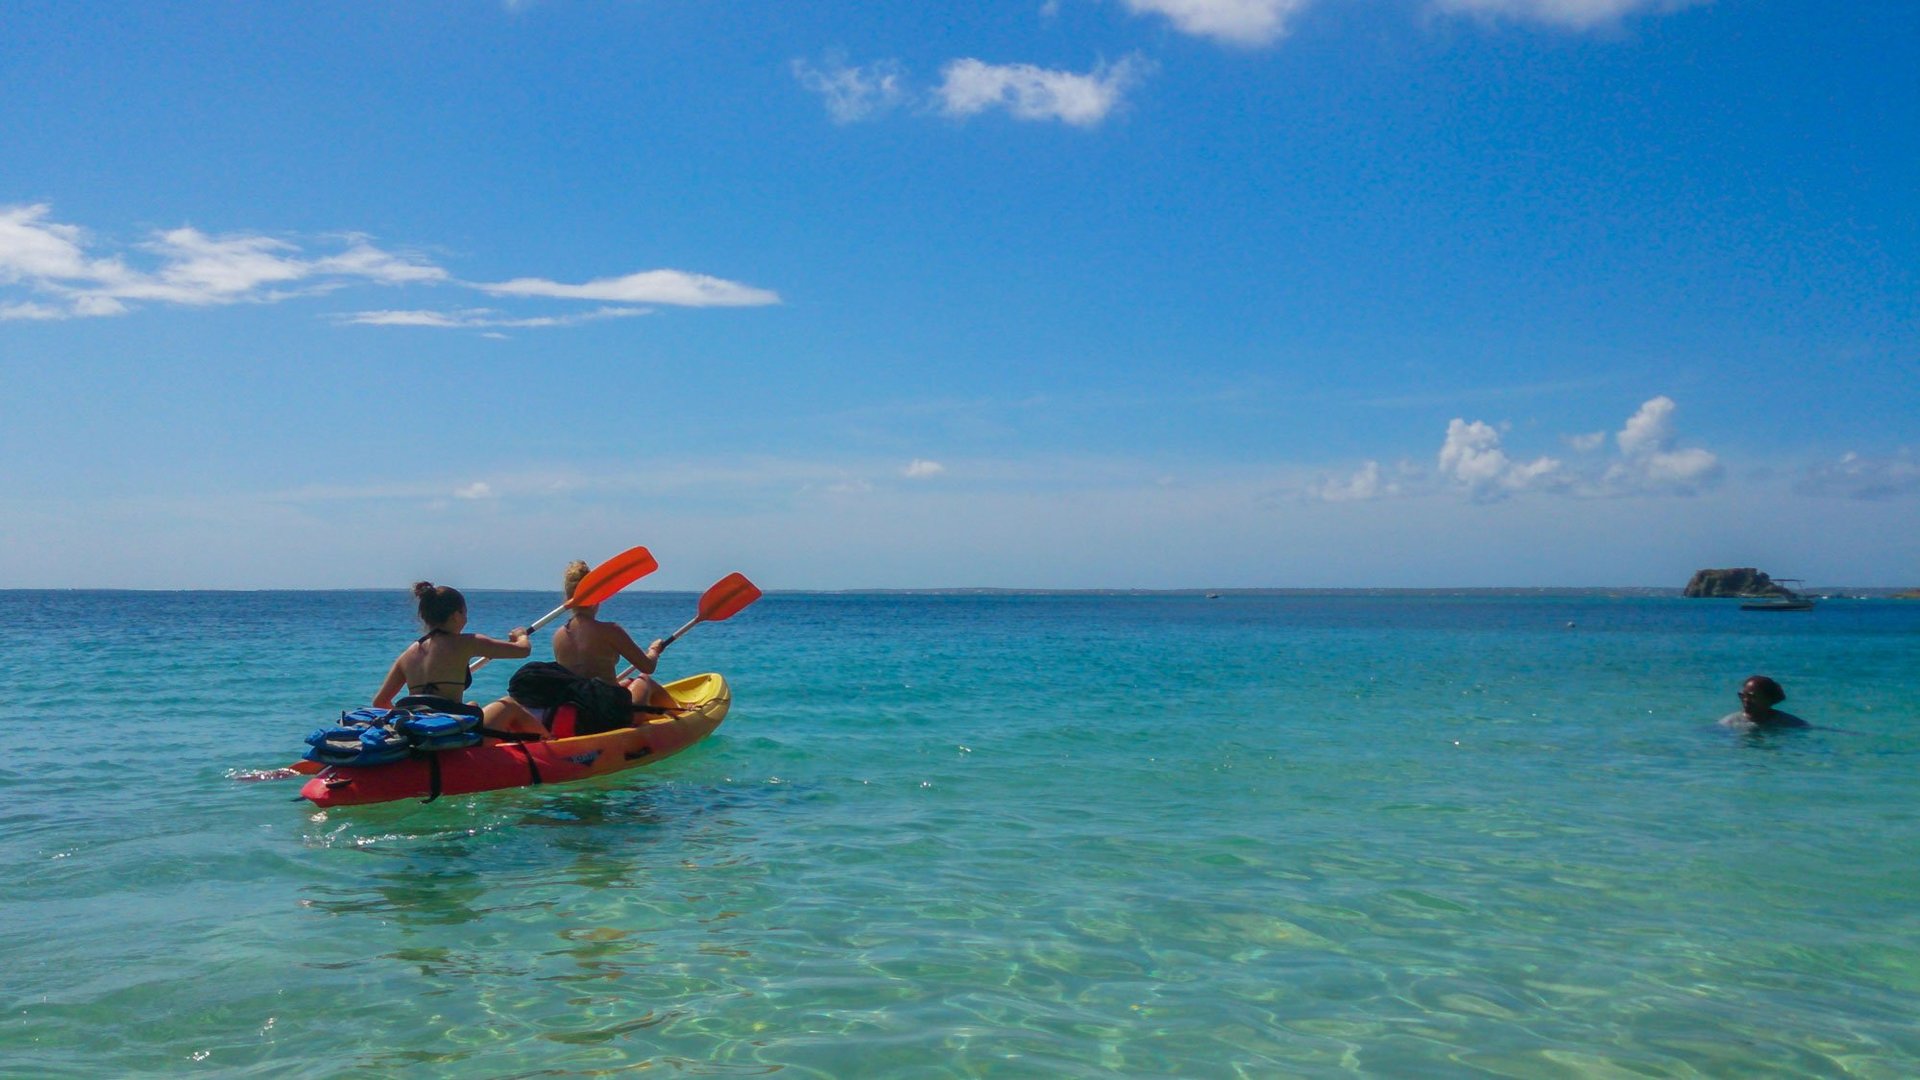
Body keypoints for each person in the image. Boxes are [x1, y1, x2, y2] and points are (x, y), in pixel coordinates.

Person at [482, 560, 674, 737]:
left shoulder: (559, 635)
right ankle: (684, 713)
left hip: (578, 711)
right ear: (599, 595)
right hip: (607, 712)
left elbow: (577, 679)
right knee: (644, 680)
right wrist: (654, 650)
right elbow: (647, 666)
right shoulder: (611, 630)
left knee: (625, 681)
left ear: (568, 597)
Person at [373, 582, 530, 708]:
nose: (466, 618)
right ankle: (545, 740)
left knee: (473, 705)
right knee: (509, 705)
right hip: (449, 730)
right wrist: (521, 636)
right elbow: (522, 651)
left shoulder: (408, 654)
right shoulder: (468, 642)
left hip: (418, 732)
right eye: (464, 613)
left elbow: (380, 703)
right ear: (456, 615)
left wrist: (408, 721)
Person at [1719, 675, 1808, 730]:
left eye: (1751, 696)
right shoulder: (1730, 722)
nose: (1745, 700)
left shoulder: (1788, 722)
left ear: (1768, 699)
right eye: (1742, 695)